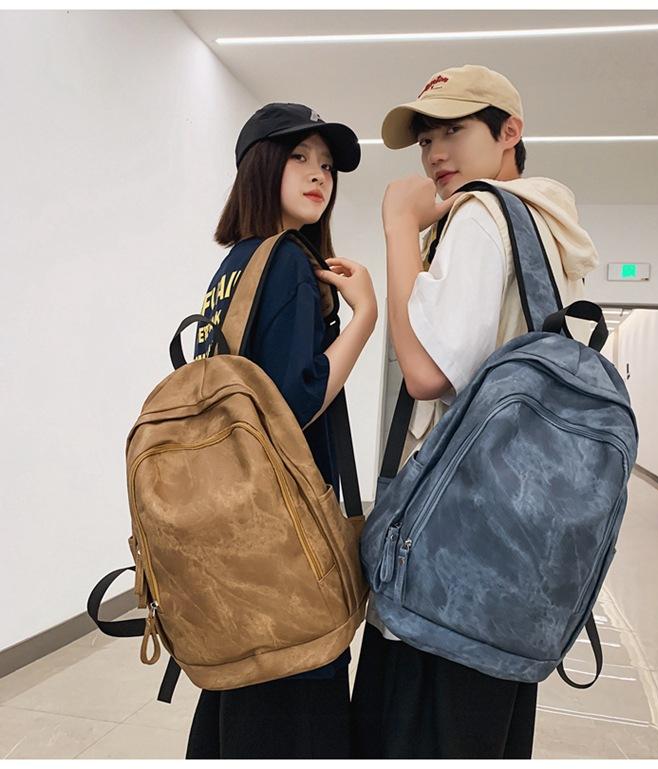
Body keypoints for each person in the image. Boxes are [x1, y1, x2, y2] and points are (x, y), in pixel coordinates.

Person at [351, 64, 600, 759]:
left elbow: (428, 373)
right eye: (426, 140)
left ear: (508, 131)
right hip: (512, 560)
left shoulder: (482, 217)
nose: (435, 154)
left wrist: (400, 228)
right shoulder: (548, 229)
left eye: (454, 131)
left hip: (447, 564)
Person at [185, 102, 377, 759]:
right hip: (285, 535)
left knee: (244, 676)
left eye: (326, 164)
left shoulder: (233, 267)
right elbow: (293, 402)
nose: (319, 174)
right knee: (296, 692)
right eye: (299, 157)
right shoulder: (289, 262)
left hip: (232, 522)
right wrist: (365, 317)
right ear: (260, 167)